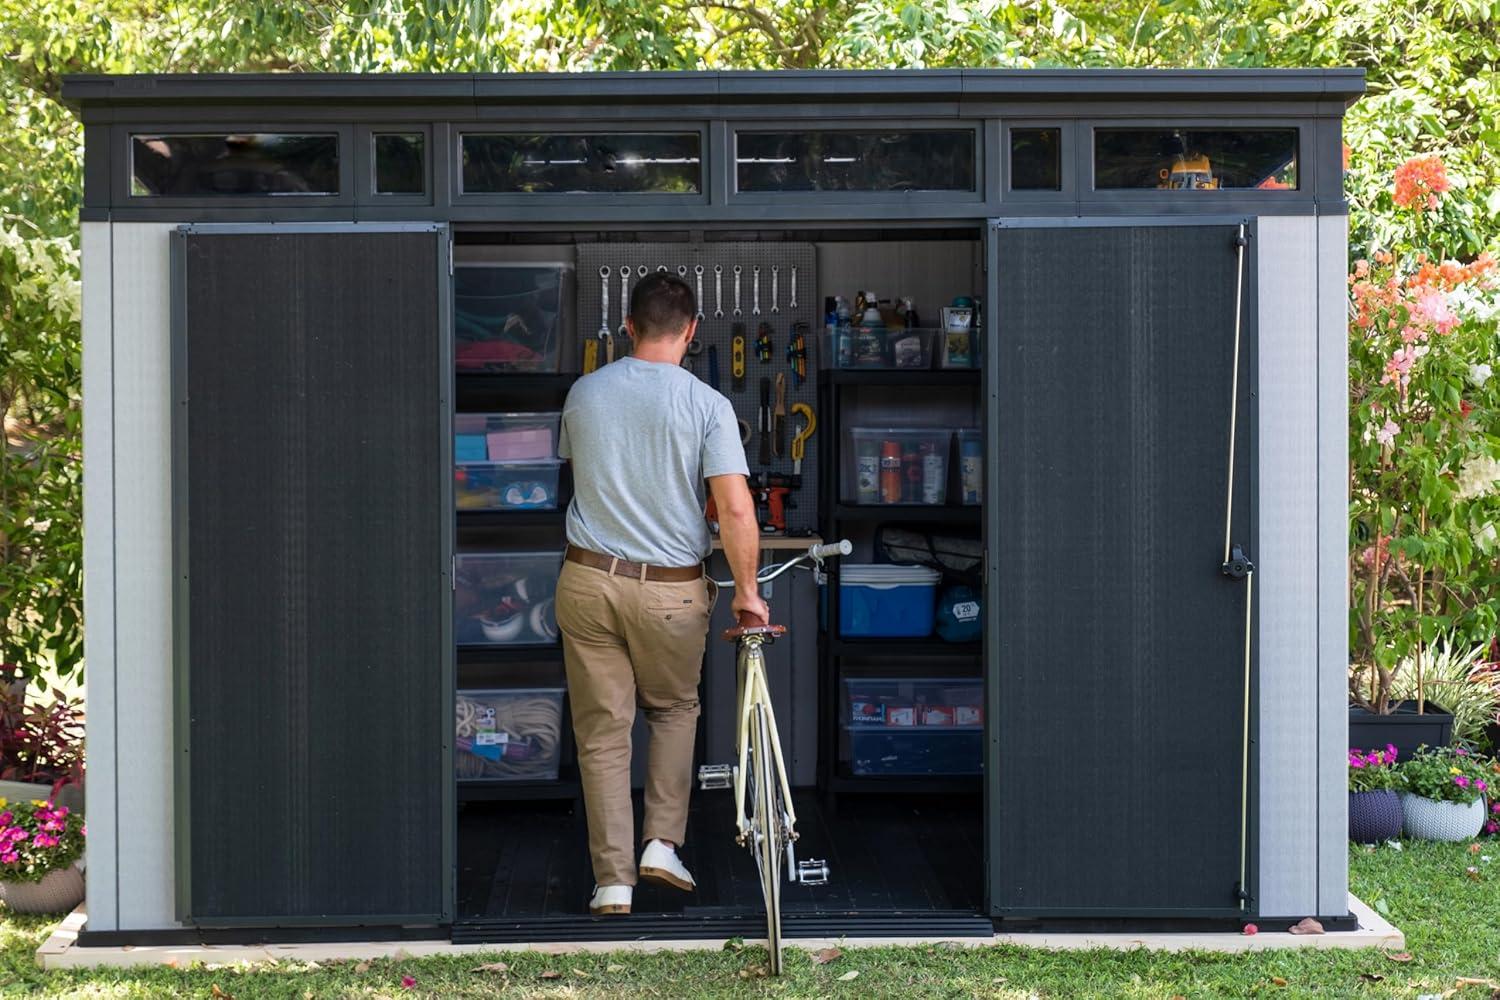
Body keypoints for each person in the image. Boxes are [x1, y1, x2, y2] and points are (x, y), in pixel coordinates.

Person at [556, 272, 768, 916]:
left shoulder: (583, 393)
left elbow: (587, 472)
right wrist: (748, 594)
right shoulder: (707, 404)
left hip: (588, 581)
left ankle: (612, 880)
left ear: (627, 326)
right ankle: (660, 845)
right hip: (671, 592)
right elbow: (734, 511)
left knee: (601, 733)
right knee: (674, 711)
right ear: (693, 331)